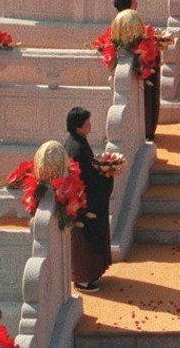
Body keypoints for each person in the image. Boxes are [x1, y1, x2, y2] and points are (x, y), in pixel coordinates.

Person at [64, 106, 112, 291]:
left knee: (88, 237)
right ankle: (83, 278)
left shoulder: (76, 142)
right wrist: (105, 175)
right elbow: (84, 177)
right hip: (83, 200)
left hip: (84, 198)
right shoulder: (76, 147)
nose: (89, 125)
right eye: (86, 123)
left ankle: (89, 275)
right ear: (78, 127)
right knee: (84, 239)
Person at [114, 0, 160, 139]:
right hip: (139, 63)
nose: (137, 3)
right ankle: (146, 129)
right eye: (134, 0)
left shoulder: (117, 21)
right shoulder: (131, 18)